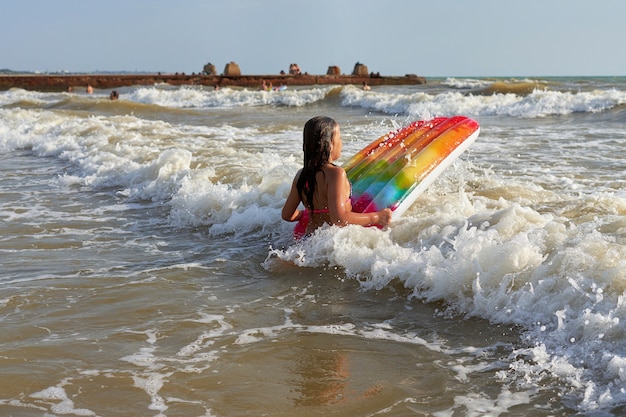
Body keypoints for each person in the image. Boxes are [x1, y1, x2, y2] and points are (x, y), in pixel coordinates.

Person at [282, 116, 392, 237]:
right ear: (329, 144)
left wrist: (307, 214)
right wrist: (376, 217)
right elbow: (339, 219)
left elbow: (287, 215)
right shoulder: (336, 174)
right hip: (331, 241)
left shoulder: (301, 175)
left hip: (308, 239)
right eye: (339, 138)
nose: (341, 142)